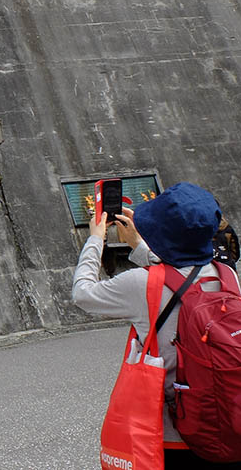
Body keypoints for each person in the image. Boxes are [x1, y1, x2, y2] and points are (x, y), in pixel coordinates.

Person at [72, 182, 241, 469]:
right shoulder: (227, 276)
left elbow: (83, 293)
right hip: (227, 419)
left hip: (172, 431)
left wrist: (96, 240)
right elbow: (182, 275)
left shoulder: (140, 284)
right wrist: (139, 247)